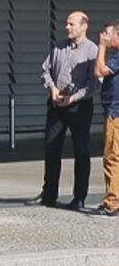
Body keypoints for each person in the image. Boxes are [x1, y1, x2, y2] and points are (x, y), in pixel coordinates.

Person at [27, 12, 97, 210]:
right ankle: (49, 194)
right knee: (51, 148)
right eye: (66, 23)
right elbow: (45, 70)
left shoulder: (91, 50)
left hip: (79, 105)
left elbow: (94, 82)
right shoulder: (58, 46)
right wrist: (52, 89)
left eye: (72, 24)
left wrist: (74, 98)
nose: (67, 27)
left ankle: (79, 196)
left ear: (84, 26)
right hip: (57, 104)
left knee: (81, 151)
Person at [92, 20, 119, 218]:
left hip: (115, 113)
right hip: (113, 110)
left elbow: (99, 71)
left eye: (107, 33)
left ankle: (112, 202)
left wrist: (101, 47)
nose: (103, 36)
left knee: (112, 157)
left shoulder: (117, 58)